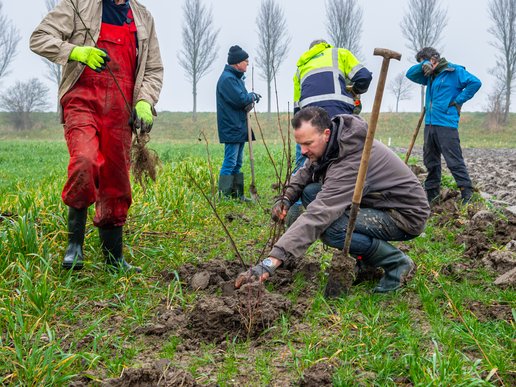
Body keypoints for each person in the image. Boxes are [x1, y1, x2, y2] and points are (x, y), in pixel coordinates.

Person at [235, 107, 430, 294]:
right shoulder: (334, 144)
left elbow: (319, 213)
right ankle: (366, 259)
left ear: (326, 133)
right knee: (311, 192)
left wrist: (271, 262)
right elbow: (305, 172)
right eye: (300, 144)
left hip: (404, 215)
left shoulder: (352, 159)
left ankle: (397, 263)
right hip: (378, 203)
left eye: (308, 144)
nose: (303, 151)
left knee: (331, 229)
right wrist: (286, 198)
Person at [30, 0, 163, 272]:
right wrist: (76, 51)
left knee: (117, 180)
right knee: (85, 161)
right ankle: (74, 246)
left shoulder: (143, 17)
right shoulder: (78, 4)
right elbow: (39, 38)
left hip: (121, 108)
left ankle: (114, 258)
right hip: (82, 99)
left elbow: (153, 69)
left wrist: (144, 101)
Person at [288, 39, 372, 223]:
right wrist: (356, 90)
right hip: (338, 118)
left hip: (308, 122)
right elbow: (364, 76)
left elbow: (296, 108)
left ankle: (292, 209)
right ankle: (348, 201)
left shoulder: (300, 67)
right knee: (345, 159)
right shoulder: (338, 53)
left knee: (303, 163)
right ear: (325, 46)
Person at [406, 47, 481, 205]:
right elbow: (410, 74)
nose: (424, 66)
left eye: (425, 61)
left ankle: (467, 192)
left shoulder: (454, 71)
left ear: (434, 59)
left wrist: (458, 100)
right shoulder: (429, 76)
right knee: (430, 160)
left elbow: (475, 83)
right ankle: (432, 195)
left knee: (454, 160)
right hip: (430, 124)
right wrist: (423, 65)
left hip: (446, 124)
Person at [216, 45, 261, 201]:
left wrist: (249, 98)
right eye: (245, 61)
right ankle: (224, 197)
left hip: (238, 126)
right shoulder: (228, 79)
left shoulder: (235, 78)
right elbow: (240, 99)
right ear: (236, 63)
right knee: (230, 161)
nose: (248, 63)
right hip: (232, 126)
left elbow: (241, 100)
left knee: (238, 162)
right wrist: (252, 96)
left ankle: (237, 195)